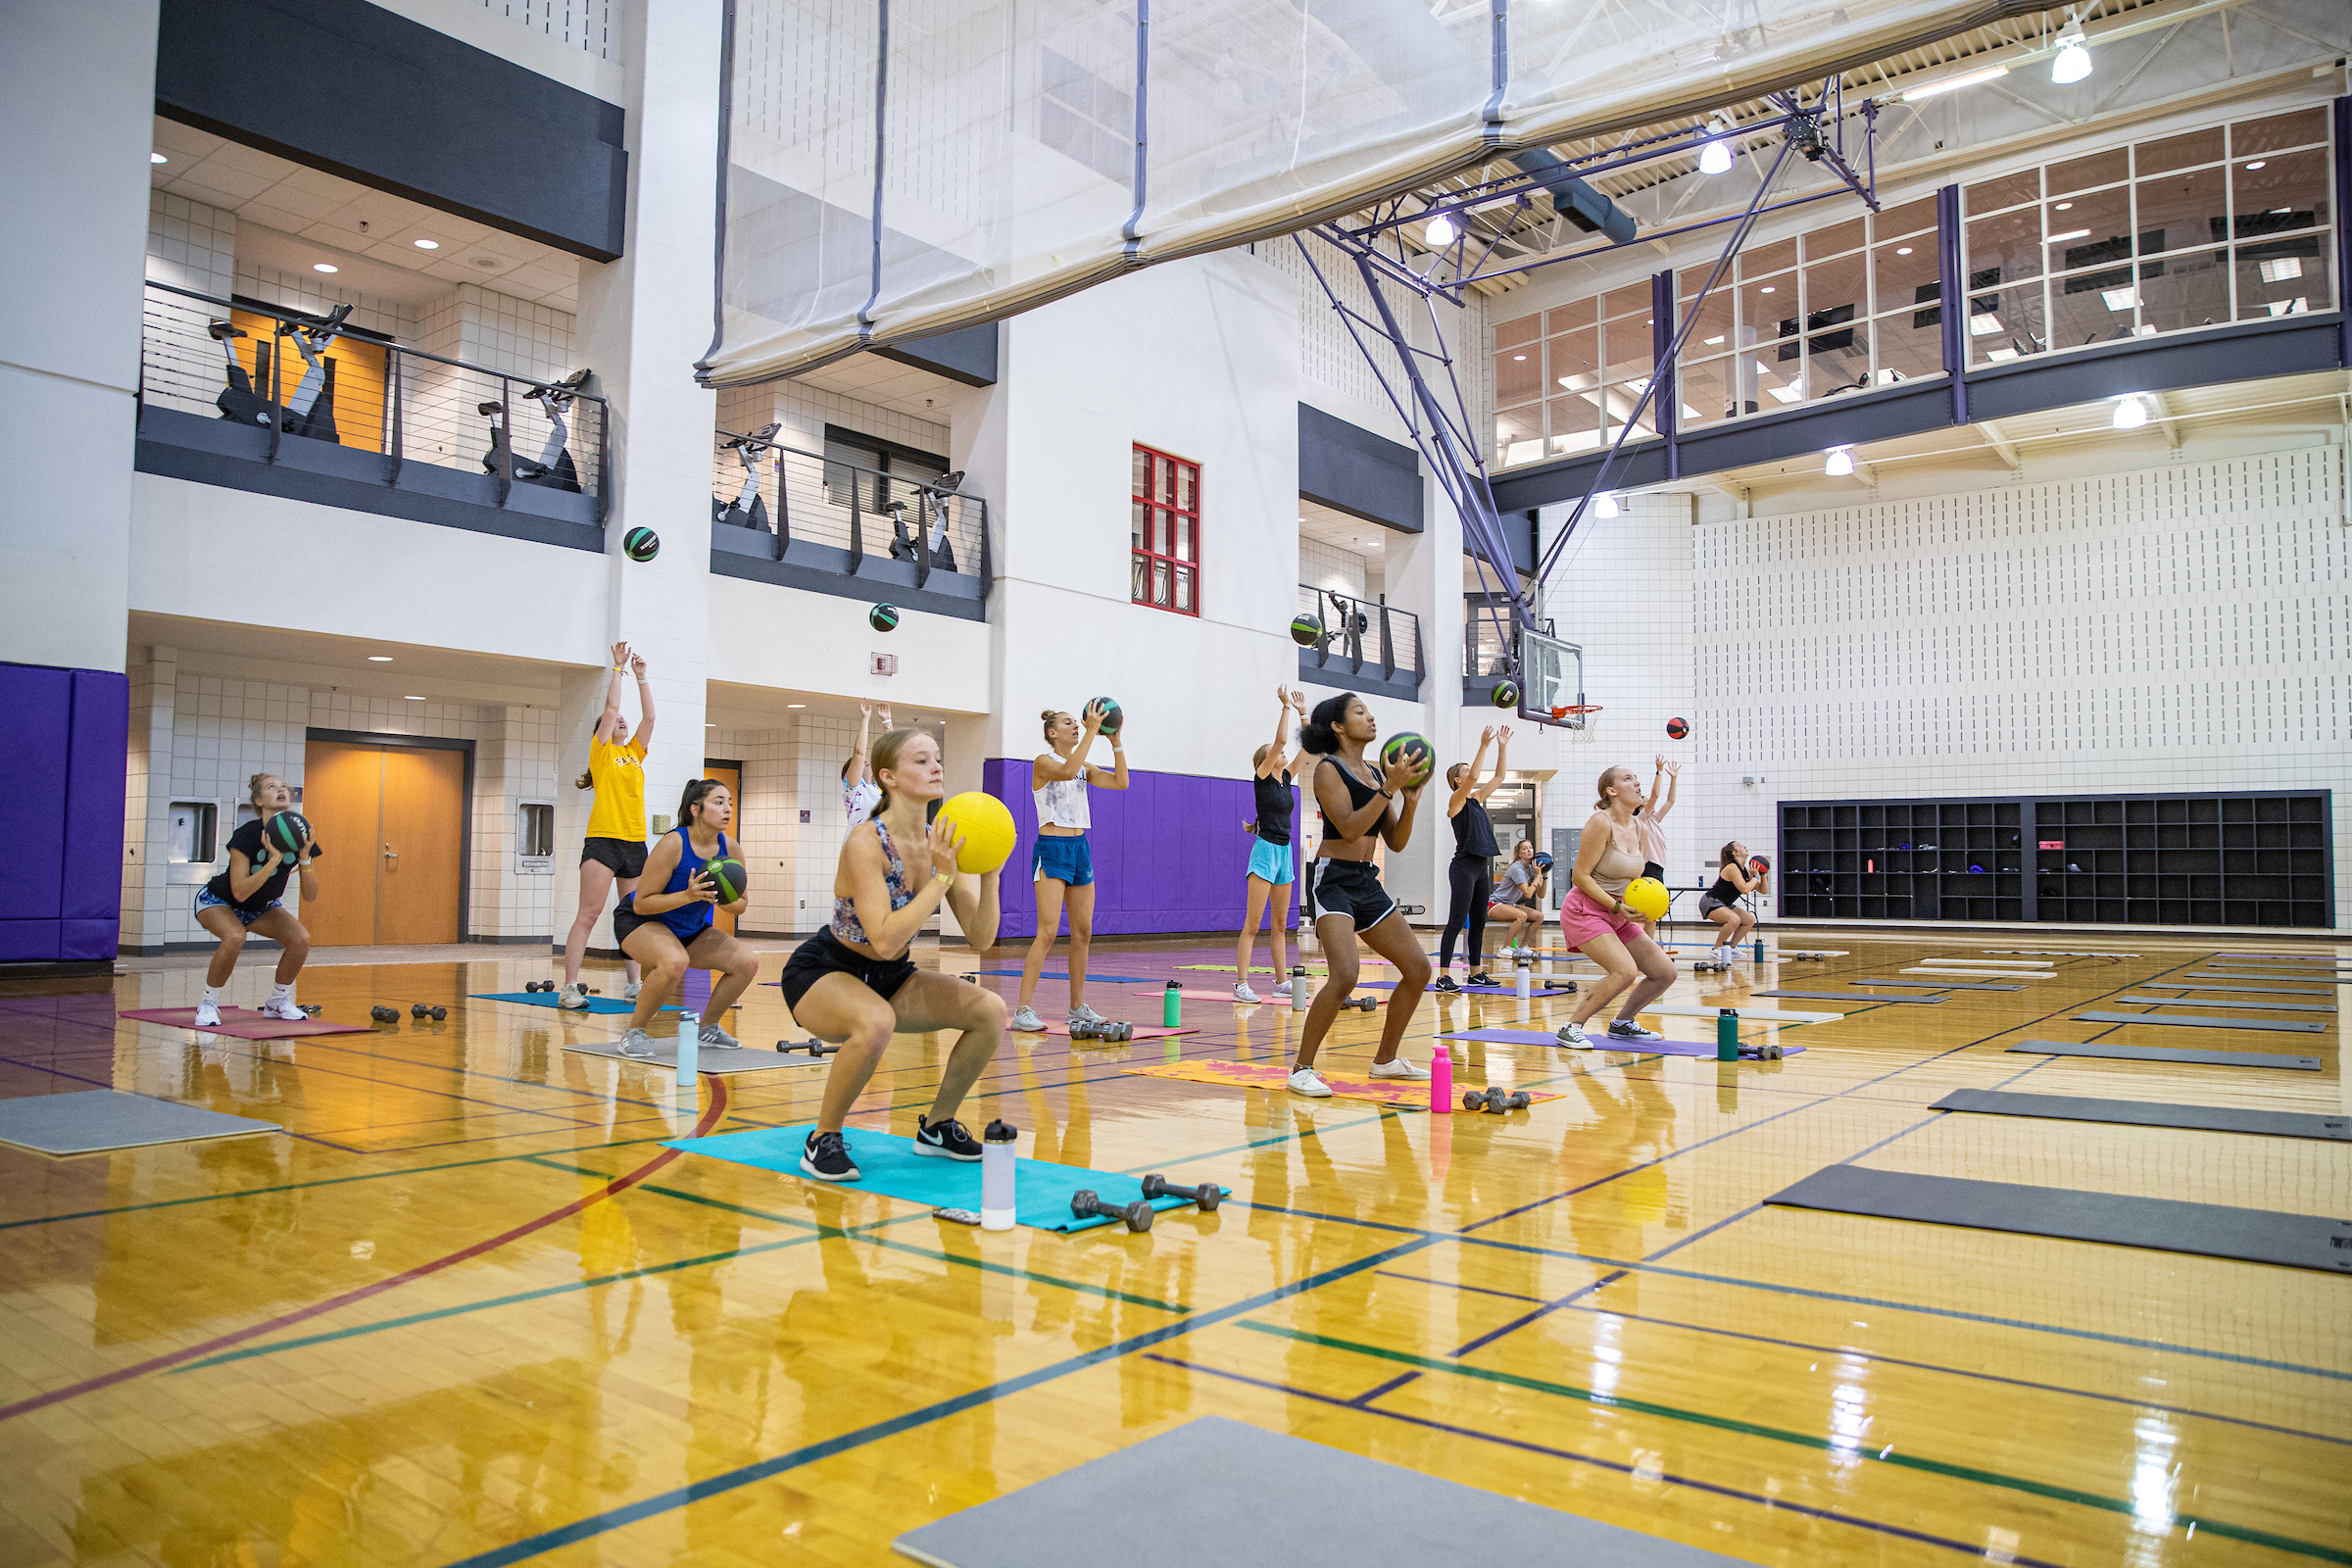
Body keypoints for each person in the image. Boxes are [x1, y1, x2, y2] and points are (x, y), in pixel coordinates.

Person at [781, 727, 1005, 1180]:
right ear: (888, 777)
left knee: (991, 1011)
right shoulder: (866, 841)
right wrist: (942, 877)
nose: (936, 767)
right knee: (876, 1021)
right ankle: (823, 1137)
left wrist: (990, 872)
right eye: (921, 760)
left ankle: (938, 1128)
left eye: (937, 758)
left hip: (890, 975)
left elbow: (981, 938)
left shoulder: (940, 843)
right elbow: (883, 938)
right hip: (824, 970)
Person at [1286, 695, 1431, 1097]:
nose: (1370, 717)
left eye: (1369, 711)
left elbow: (1395, 842)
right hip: (1332, 879)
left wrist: (1409, 801)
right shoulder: (1327, 770)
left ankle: (1385, 1060)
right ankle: (1301, 1069)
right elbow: (1349, 829)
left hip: (1366, 881)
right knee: (1346, 974)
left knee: (1418, 970)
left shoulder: (1374, 773)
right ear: (1337, 726)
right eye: (1359, 712)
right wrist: (1390, 788)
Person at [610, 778, 760, 1057]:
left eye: (729, 803)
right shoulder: (673, 843)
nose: (728, 809)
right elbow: (641, 903)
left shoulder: (731, 848)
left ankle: (708, 1028)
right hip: (639, 921)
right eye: (719, 802)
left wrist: (720, 898)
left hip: (688, 928)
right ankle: (634, 1032)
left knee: (747, 962)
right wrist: (688, 896)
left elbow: (740, 905)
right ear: (695, 809)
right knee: (675, 961)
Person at [1009, 701, 1129, 1034]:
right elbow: (1065, 771)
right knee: (1048, 931)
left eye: (1077, 722)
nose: (1076, 726)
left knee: (1083, 932)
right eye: (1068, 723)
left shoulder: (1083, 766)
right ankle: (1022, 1010)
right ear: (1052, 733)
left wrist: (1115, 741)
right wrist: (1092, 731)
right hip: (1052, 849)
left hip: (1079, 849)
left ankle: (1077, 1007)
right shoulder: (1044, 762)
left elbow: (1121, 782)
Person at [1552, 764, 1679, 1051]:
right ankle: (1571, 1027)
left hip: (1618, 912)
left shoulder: (1640, 827)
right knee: (1625, 971)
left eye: (1636, 778)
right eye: (1627, 779)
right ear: (1611, 791)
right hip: (1585, 909)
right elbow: (1579, 876)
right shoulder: (1601, 822)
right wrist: (1616, 906)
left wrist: (1645, 906)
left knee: (1664, 972)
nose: (1637, 783)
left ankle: (1623, 1023)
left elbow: (1635, 881)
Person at [561, 642, 652, 1009]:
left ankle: (634, 984)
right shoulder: (602, 752)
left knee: (633, 915)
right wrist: (619, 669)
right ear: (603, 729)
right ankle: (569, 987)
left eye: (624, 720)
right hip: (602, 841)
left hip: (634, 842)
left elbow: (650, 720)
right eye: (615, 720)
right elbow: (611, 708)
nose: (621, 720)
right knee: (589, 914)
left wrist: (642, 678)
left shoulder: (634, 753)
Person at [192, 773, 320, 1027]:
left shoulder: (300, 834)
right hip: (220, 901)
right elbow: (240, 892)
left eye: (284, 787)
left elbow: (310, 895)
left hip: (262, 907)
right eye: (272, 787)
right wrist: (274, 860)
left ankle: (278, 1001)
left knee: (301, 939)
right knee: (235, 936)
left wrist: (305, 857)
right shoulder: (246, 835)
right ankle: (208, 1003)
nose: (281, 790)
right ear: (259, 800)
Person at [1235, 685, 1307, 1002]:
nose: (1283, 752)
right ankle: (1241, 985)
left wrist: (1304, 715)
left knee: (1280, 924)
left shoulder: (1287, 778)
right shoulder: (1262, 777)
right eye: (1276, 751)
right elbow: (1280, 741)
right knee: (1252, 925)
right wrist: (1286, 707)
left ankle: (1281, 982)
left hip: (1285, 852)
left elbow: (1308, 749)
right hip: (1265, 851)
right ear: (1265, 760)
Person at [1434, 725, 1511, 991]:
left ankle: (1476, 973)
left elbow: (1499, 776)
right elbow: (1476, 776)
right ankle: (1443, 976)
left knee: (1479, 922)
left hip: (1480, 866)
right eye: (1465, 771)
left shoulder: (1477, 799)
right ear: (1457, 780)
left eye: (1469, 769)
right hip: (1464, 867)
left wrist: (1502, 746)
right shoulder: (1456, 800)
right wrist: (1484, 744)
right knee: (1456, 921)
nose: (1471, 773)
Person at [1701, 842, 1769, 963]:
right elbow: (1744, 889)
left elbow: (1763, 890)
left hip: (1724, 903)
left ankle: (1731, 948)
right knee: (1734, 919)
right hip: (1710, 901)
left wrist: (1762, 874)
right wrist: (1755, 878)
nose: (1745, 846)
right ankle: (1716, 949)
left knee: (1749, 919)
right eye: (1740, 846)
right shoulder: (1732, 867)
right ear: (1735, 853)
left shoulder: (1745, 870)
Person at [1487, 835, 1548, 958]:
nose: (1529, 850)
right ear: (1519, 854)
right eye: (1525, 849)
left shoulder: (1531, 869)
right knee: (1522, 916)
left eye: (1530, 847)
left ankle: (1523, 948)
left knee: (1539, 916)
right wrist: (1537, 876)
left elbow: (1541, 894)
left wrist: (1544, 876)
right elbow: (1528, 894)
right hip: (1495, 904)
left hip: (1509, 904)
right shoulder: (1517, 868)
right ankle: (1505, 949)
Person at [842, 700, 892, 832]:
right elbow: (859, 753)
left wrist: (887, 722)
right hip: (857, 843)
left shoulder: (879, 788)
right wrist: (865, 719)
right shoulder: (853, 790)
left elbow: (891, 757)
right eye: (861, 762)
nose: (865, 761)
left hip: (881, 842)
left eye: (865, 760)